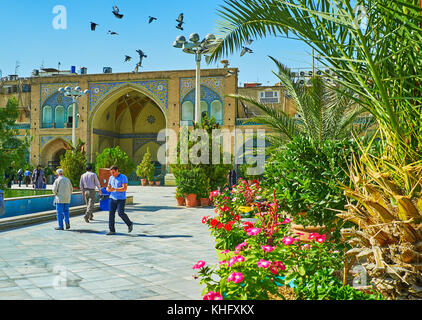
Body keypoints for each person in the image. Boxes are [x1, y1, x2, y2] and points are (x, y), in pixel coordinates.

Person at [106, 165, 133, 235]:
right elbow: (108, 187)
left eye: (113, 172)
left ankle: (129, 224)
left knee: (120, 213)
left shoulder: (123, 177)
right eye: (111, 173)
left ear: (117, 170)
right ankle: (112, 230)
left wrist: (114, 189)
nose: (112, 174)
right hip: (112, 198)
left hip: (121, 199)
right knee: (111, 214)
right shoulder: (111, 178)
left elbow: (124, 188)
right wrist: (108, 189)